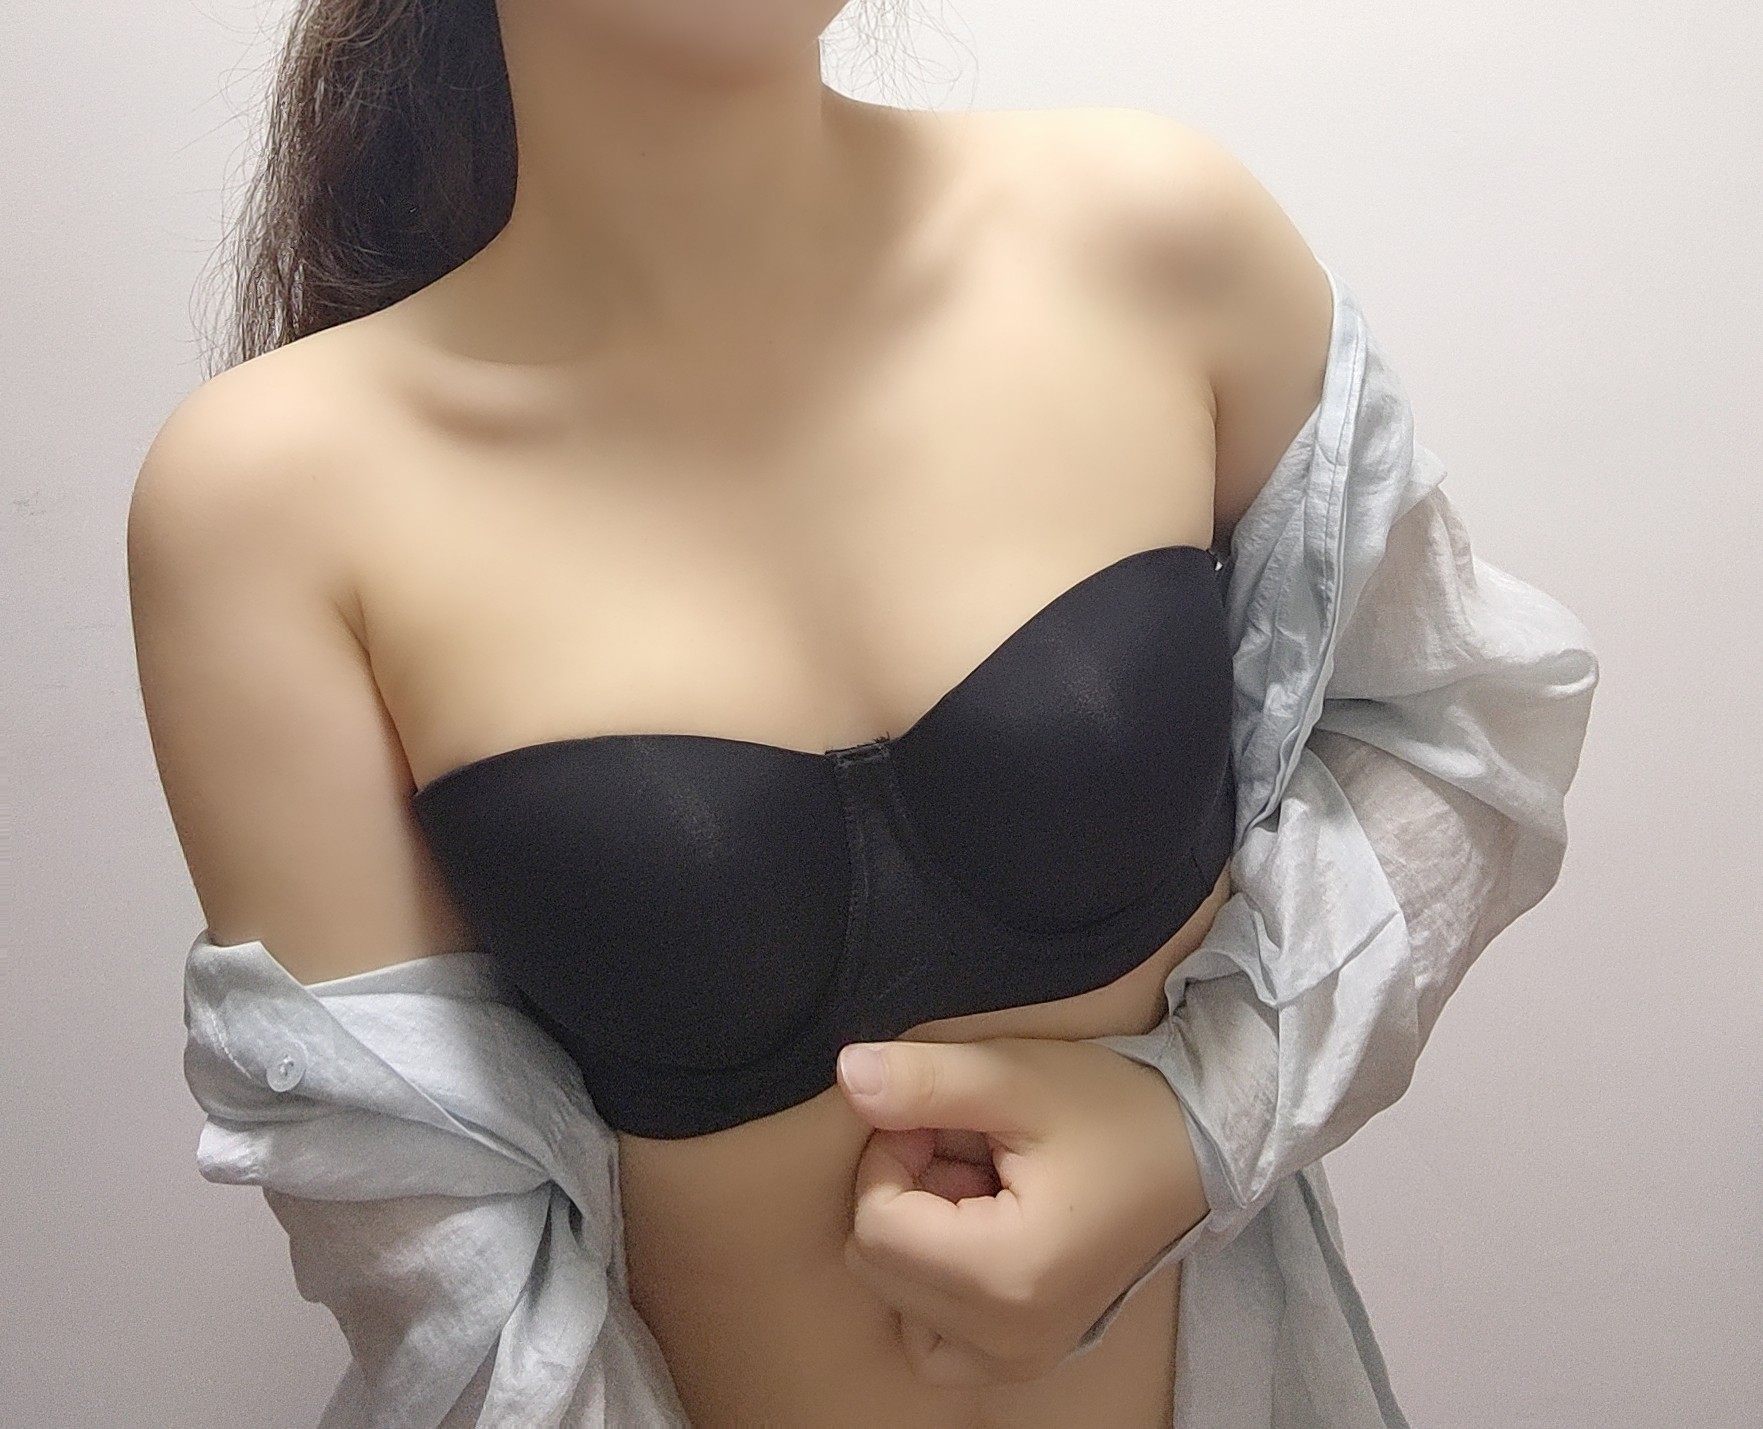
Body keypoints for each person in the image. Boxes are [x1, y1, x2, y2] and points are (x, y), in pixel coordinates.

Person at [131, 3, 1600, 1426]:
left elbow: (1461, 723)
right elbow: (446, 1291)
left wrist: (1194, 1124)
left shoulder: (1152, 240)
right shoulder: (273, 505)